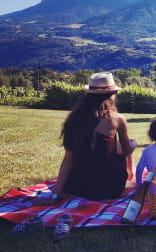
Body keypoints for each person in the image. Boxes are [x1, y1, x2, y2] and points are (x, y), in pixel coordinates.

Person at [44, 72, 137, 203]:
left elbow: (68, 159)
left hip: (78, 186)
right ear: (112, 95)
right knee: (129, 143)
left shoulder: (74, 119)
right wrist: (134, 144)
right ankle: (131, 175)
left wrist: (56, 194)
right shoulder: (117, 119)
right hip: (108, 188)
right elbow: (127, 151)